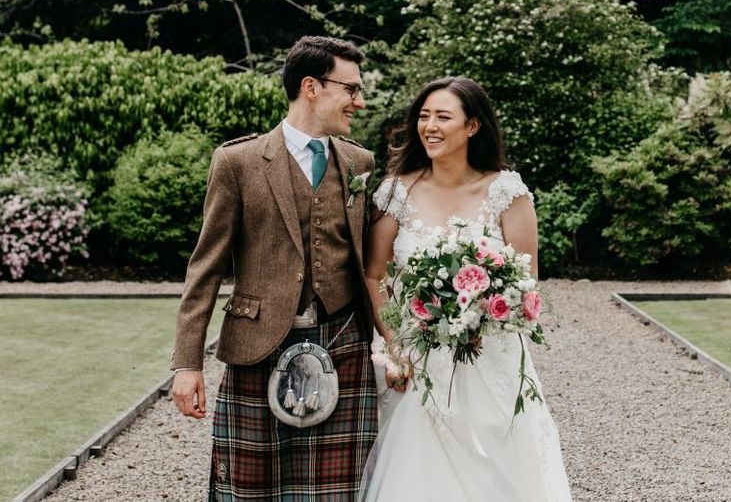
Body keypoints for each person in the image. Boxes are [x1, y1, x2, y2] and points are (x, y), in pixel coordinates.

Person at [170, 35, 378, 501]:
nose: (359, 102)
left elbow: (373, 264)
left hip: (343, 341)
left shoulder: (360, 162)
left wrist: (395, 339)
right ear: (311, 86)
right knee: (249, 491)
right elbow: (206, 266)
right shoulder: (238, 161)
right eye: (350, 89)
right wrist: (187, 363)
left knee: (337, 493)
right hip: (257, 346)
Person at [359, 76, 572, 501]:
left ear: (472, 126)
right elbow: (373, 274)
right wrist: (395, 343)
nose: (430, 127)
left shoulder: (506, 192)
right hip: (420, 362)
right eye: (423, 117)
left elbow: (527, 285)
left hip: (493, 360)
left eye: (443, 117)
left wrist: (481, 313)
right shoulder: (396, 191)